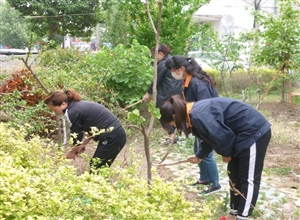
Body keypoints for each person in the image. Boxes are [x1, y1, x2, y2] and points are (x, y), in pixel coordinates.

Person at [160, 96, 271, 220]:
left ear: (175, 117)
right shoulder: (192, 115)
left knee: (247, 179)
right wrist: (199, 155)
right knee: (234, 175)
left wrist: (226, 153)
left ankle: (243, 217)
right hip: (239, 136)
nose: (177, 127)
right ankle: (233, 214)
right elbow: (210, 136)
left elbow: (223, 136)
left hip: (253, 132)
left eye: (173, 124)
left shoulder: (197, 115)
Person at [165, 55, 221, 194]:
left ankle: (215, 184)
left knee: (205, 153)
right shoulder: (187, 82)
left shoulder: (198, 83)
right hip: (197, 122)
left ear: (181, 68)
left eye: (173, 70)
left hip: (205, 122)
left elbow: (206, 108)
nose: (173, 73)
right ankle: (204, 179)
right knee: (198, 149)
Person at [44, 89, 127, 170]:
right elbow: (91, 127)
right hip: (114, 135)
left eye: (54, 109)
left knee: (97, 167)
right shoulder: (78, 105)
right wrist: (83, 144)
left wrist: (72, 152)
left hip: (113, 137)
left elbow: (77, 135)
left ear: (63, 104)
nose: (55, 112)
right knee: (97, 165)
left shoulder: (72, 112)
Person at [142, 44, 183, 145]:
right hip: (177, 93)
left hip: (166, 93)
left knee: (161, 113)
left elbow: (156, 80)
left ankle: (172, 135)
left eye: (155, 55)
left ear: (160, 53)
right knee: (172, 113)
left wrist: (147, 93)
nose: (154, 58)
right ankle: (175, 134)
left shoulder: (164, 63)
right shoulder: (173, 61)